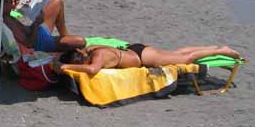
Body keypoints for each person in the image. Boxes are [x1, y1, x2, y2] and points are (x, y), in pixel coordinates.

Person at [0, 0, 85, 53]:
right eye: (11, 1)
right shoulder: (5, 21)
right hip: (39, 43)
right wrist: (36, 23)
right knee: (80, 41)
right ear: (4, 2)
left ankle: (64, 38)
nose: (13, 3)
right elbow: (29, 44)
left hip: (35, 34)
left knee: (56, 2)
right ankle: (63, 43)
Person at [52, 43, 240, 75]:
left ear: (81, 58)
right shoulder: (89, 50)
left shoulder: (97, 56)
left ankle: (222, 51)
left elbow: (92, 70)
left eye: (79, 63)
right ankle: (213, 48)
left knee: (187, 59)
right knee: (178, 53)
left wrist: (67, 66)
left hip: (143, 57)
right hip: (137, 51)